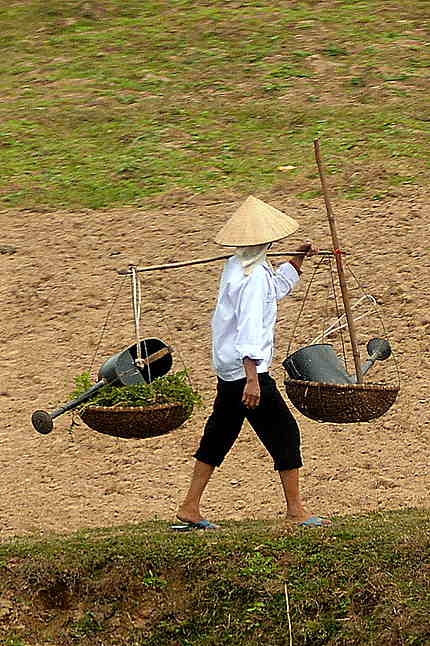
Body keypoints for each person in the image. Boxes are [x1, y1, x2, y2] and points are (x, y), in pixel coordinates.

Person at [173, 196, 331, 531]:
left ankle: (190, 506)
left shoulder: (238, 267)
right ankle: (296, 510)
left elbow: (272, 289)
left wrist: (296, 260)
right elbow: (249, 325)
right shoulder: (253, 276)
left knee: (219, 435)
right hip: (246, 373)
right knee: (285, 433)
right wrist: (253, 378)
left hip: (229, 371)